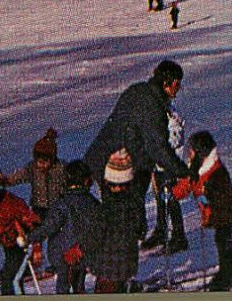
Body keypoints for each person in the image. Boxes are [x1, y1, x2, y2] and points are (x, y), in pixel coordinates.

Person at [81, 58, 194, 249]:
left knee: (126, 218)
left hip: (112, 160)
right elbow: (157, 147)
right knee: (126, 221)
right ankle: (114, 272)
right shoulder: (151, 105)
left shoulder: (140, 91)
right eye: (176, 84)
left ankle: (117, 268)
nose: (178, 89)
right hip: (116, 167)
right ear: (166, 82)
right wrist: (183, 171)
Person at [173, 132, 232, 291]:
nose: (189, 153)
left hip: (223, 212)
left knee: (222, 238)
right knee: (220, 238)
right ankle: (227, 271)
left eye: (192, 150)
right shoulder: (196, 168)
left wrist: (208, 202)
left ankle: (228, 273)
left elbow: (222, 199)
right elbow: (186, 185)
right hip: (211, 212)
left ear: (201, 152)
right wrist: (172, 193)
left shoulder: (216, 172)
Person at [26, 160, 98, 294]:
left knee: (63, 283)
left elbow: (50, 225)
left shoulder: (62, 203)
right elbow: (97, 226)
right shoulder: (92, 202)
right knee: (78, 279)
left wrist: (31, 237)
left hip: (62, 253)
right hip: (82, 251)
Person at [85, 151, 143, 293]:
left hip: (106, 266)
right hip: (127, 262)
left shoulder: (104, 208)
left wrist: (87, 251)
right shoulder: (135, 205)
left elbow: (95, 235)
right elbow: (141, 230)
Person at [143, 91, 189, 253]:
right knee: (159, 197)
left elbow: (176, 138)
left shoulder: (171, 115)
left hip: (169, 164)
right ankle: (161, 230)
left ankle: (179, 236)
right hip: (157, 164)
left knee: (170, 198)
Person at [0, 128, 67, 218]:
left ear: (52, 159)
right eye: (39, 162)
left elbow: (71, 178)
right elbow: (20, 176)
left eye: (45, 162)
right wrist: (6, 180)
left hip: (57, 206)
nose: (42, 165)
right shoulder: (32, 168)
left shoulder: (60, 168)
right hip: (38, 207)